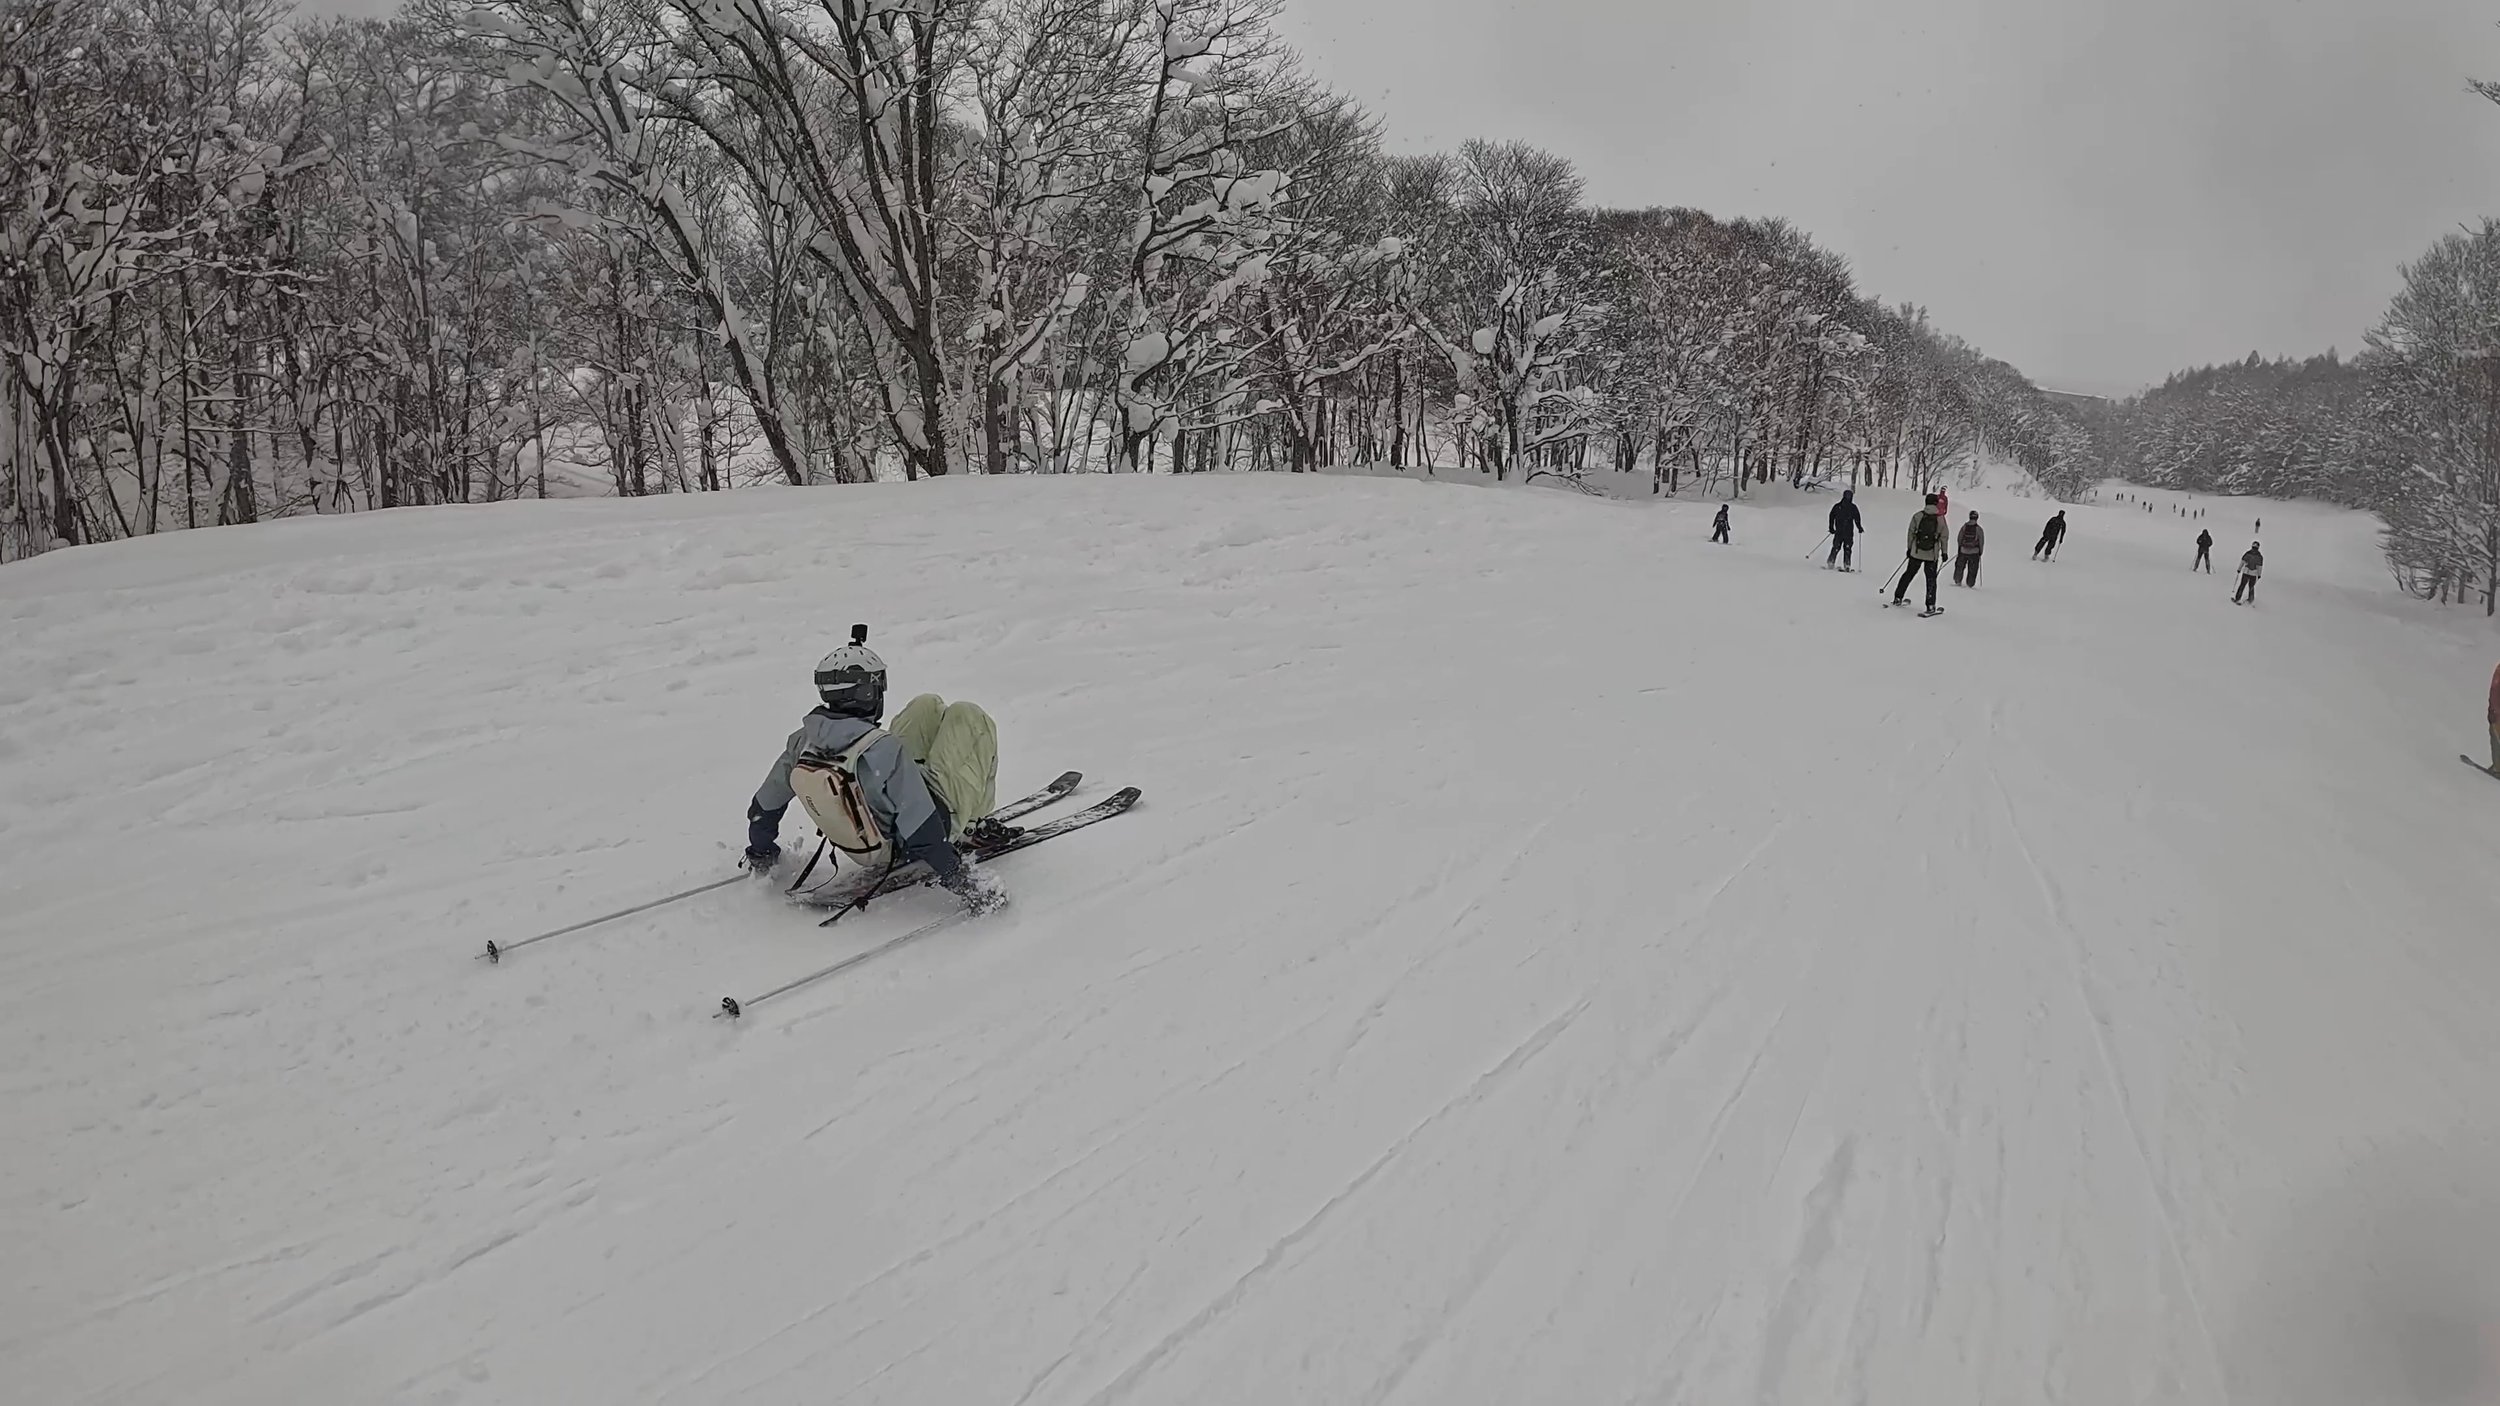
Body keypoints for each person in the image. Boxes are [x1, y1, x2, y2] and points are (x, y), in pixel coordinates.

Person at [743, 634, 1009, 914]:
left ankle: (932, 788)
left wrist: (762, 851)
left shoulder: (803, 740)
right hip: (905, 839)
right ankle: (972, 823)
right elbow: (923, 832)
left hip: (863, 833)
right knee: (968, 716)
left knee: (926, 704)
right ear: (866, 694)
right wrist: (967, 885)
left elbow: (765, 804)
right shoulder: (883, 750)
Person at [1892, 493, 1947, 612]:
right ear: (1936, 503)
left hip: (1916, 552)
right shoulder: (1940, 519)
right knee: (1931, 580)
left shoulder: (1918, 516)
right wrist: (1944, 552)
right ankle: (1930, 605)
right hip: (1932, 555)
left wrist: (1909, 548)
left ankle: (1898, 597)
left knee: (1908, 574)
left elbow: (1911, 533)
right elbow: (1944, 536)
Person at [1826, 488, 1863, 570]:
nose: (1848, 497)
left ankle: (1847, 565)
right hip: (1839, 532)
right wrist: (1831, 527)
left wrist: (1859, 527)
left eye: (1850, 496)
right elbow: (1831, 516)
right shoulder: (1838, 507)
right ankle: (1831, 562)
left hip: (1848, 533)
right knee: (1836, 547)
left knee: (1847, 549)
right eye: (1847, 495)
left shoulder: (1853, 508)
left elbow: (1857, 518)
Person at [1953, 510, 1985, 587]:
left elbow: (1959, 538)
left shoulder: (1964, 527)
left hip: (1963, 550)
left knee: (1960, 566)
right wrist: (1980, 551)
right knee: (1972, 568)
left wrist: (1960, 547)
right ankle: (1970, 583)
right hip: (1974, 552)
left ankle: (1957, 580)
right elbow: (1981, 541)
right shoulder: (1979, 529)